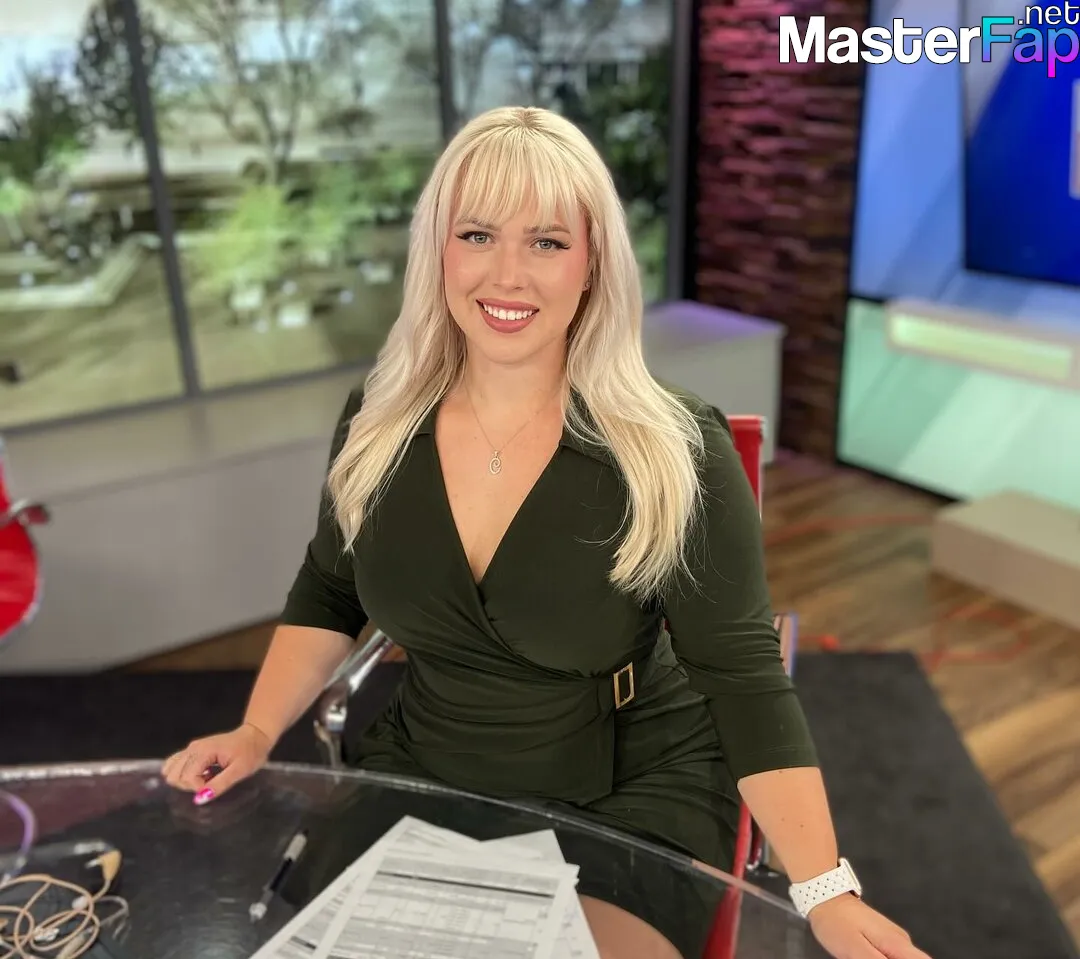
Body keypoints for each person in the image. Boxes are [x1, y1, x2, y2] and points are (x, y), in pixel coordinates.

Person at [163, 106, 931, 959]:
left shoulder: (675, 449)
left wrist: (825, 890)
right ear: (438, 250)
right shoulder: (377, 420)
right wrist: (255, 730)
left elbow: (744, 679)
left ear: (593, 261)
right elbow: (331, 587)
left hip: (629, 788)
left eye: (547, 242)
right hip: (427, 764)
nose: (507, 274)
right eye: (477, 234)